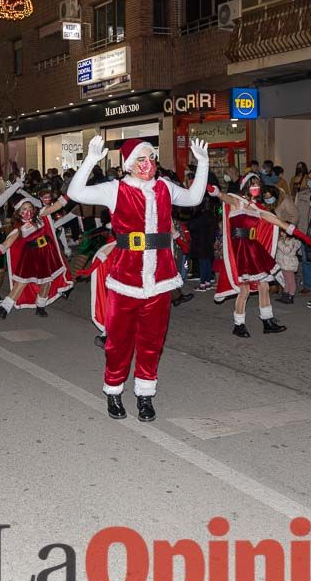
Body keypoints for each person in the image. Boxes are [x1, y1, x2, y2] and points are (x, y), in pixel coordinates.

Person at [67, 136, 209, 422]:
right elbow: (76, 192)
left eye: (152, 158)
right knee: (118, 341)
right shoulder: (114, 190)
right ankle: (114, 391)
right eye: (142, 159)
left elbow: (194, 198)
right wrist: (91, 160)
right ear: (129, 164)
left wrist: (203, 164)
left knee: (151, 341)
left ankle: (145, 395)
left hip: (160, 280)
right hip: (125, 279)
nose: (148, 164)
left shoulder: (165, 187)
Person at [212, 174, 311, 336]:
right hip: (241, 249)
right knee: (244, 289)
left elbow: (277, 222)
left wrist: (299, 234)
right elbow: (223, 196)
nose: (256, 188)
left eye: (258, 185)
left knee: (264, 286)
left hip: (254, 248)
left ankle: (267, 321)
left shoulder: (258, 208)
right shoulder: (237, 201)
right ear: (245, 186)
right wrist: (213, 190)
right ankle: (238, 325)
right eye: (253, 184)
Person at [0, 195, 74, 319]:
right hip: (30, 255)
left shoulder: (40, 215)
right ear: (19, 212)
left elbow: (57, 206)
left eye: (30, 207)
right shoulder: (18, 228)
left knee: (47, 281)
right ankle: (3, 309)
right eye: (24, 209)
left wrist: (69, 195)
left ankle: (40, 306)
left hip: (46, 252)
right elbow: (7, 243)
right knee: (21, 282)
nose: (27, 211)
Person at [273, 183, 301, 305]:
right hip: (283, 259)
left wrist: (286, 229)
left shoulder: (285, 200)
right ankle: (285, 293)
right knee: (284, 277)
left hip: (288, 261)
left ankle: (290, 295)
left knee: (290, 279)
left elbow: (294, 216)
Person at [187, 190, 218, 291]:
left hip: (201, 242)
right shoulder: (212, 215)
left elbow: (191, 226)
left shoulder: (200, 216)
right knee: (207, 262)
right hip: (209, 241)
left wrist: (193, 214)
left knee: (203, 263)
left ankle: (203, 284)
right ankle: (208, 281)